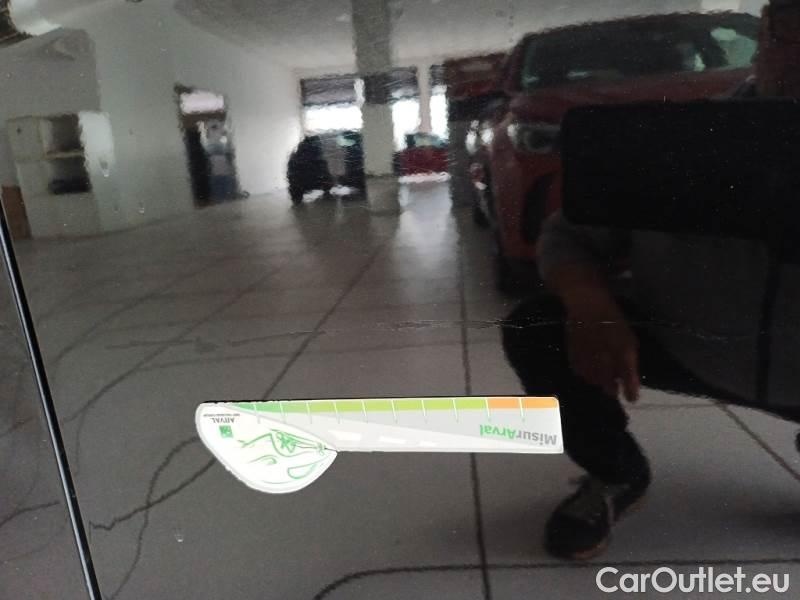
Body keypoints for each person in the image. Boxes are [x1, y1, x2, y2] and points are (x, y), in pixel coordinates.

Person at [502, 0, 800, 561]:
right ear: (768, 34)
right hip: (692, 341)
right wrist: (589, 302)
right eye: (793, 38)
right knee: (538, 327)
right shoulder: (679, 143)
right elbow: (568, 234)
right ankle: (615, 471)